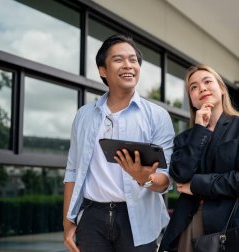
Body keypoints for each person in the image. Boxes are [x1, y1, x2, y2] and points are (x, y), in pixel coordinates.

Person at [62, 34, 175, 252]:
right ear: (102, 70)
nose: (128, 65)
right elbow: (73, 171)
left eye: (133, 60)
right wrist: (68, 221)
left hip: (139, 218)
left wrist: (146, 178)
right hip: (92, 217)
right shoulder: (84, 115)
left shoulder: (157, 116)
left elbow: (166, 178)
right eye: (118, 59)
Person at [159, 64, 239, 252]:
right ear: (191, 99)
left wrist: (196, 185)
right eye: (194, 87)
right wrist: (199, 130)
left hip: (231, 225)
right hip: (188, 224)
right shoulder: (186, 138)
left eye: (207, 81)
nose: (202, 88)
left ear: (222, 89)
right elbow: (181, 174)